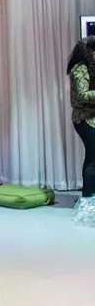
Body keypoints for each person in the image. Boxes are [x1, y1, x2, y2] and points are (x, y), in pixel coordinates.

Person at [67, 36, 95, 226]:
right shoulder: (79, 69)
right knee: (93, 159)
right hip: (84, 120)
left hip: (91, 119)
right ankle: (88, 199)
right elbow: (82, 95)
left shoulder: (88, 67)